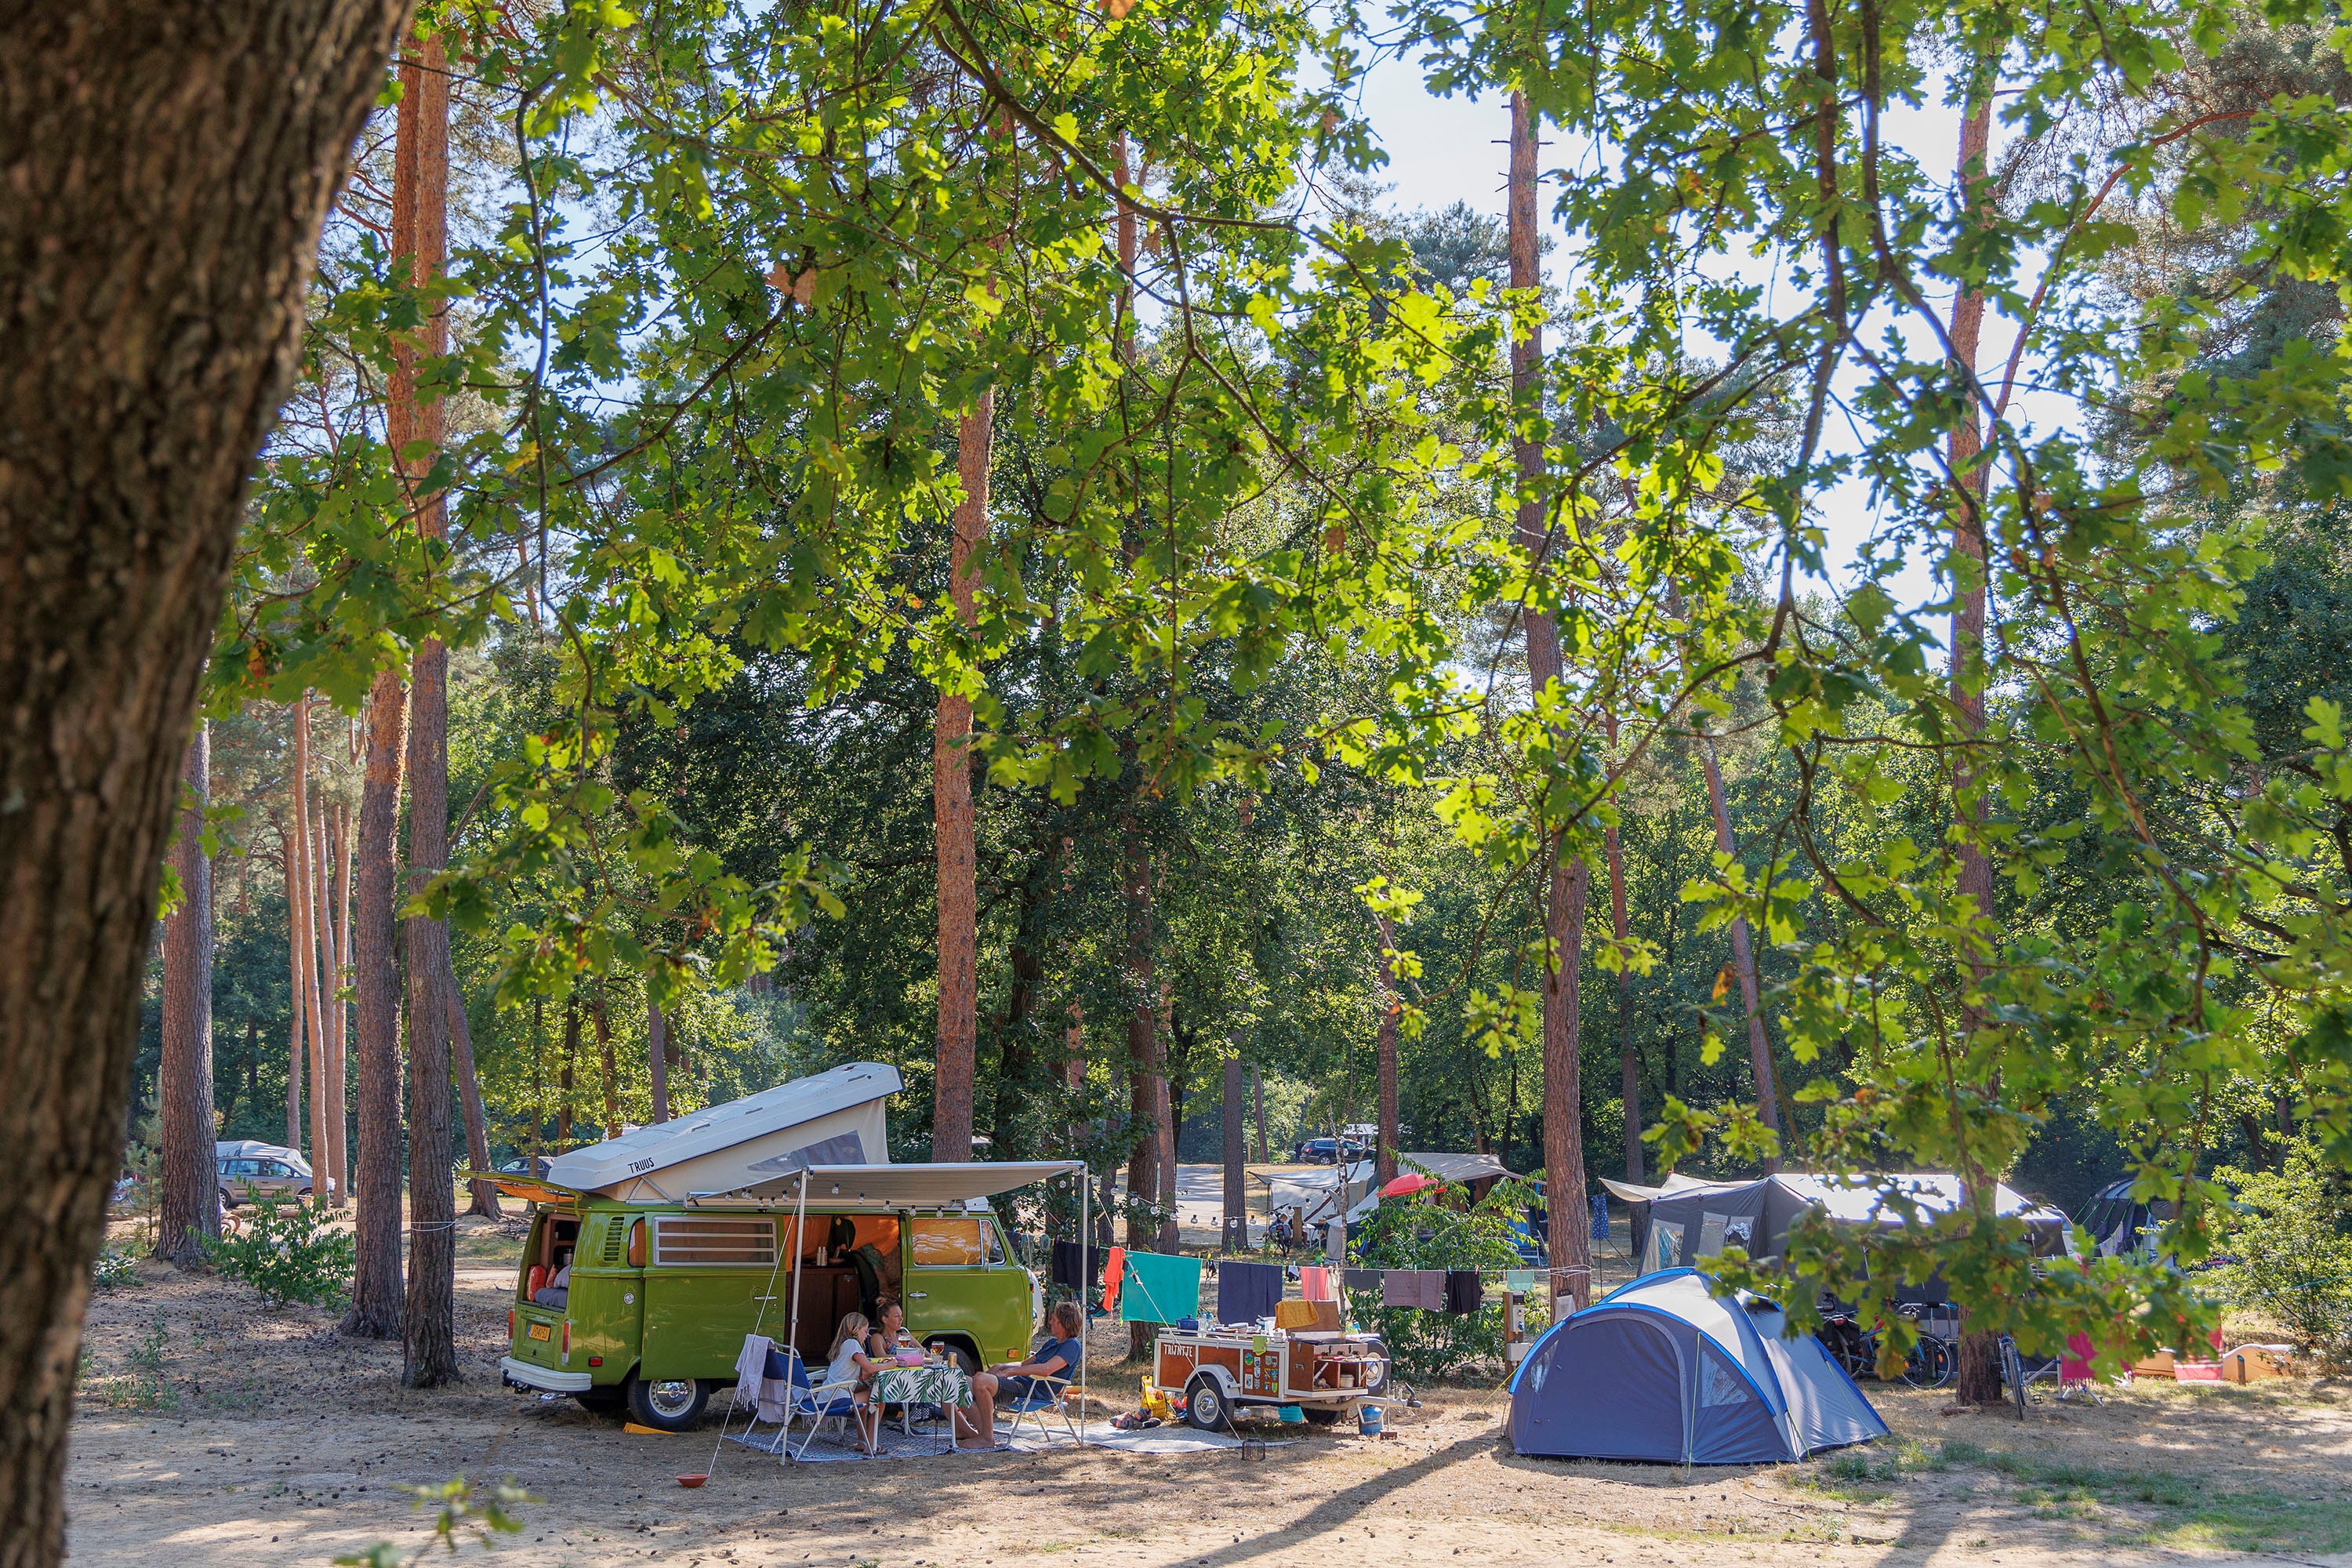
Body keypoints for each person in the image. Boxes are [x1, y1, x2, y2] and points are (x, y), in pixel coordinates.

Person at [956, 1301, 1083, 1446]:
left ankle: (987, 1438)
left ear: (1063, 1325)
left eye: (1054, 1320)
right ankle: (971, 1431)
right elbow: (1024, 1364)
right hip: (1021, 1384)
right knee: (963, 1382)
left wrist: (1011, 1371)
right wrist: (1003, 1366)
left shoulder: (1072, 1346)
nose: (1050, 1322)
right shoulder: (1052, 1343)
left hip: (1033, 1392)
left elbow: (1046, 1369)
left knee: (981, 1380)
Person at [821, 1312, 882, 1454]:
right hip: (837, 1398)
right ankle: (871, 1443)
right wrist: (891, 1364)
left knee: (866, 1390)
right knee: (880, 1394)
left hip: (828, 1395)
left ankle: (863, 1441)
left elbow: (857, 1370)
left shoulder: (842, 1344)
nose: (866, 1336)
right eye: (865, 1331)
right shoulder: (853, 1344)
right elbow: (870, 1367)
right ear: (855, 1329)